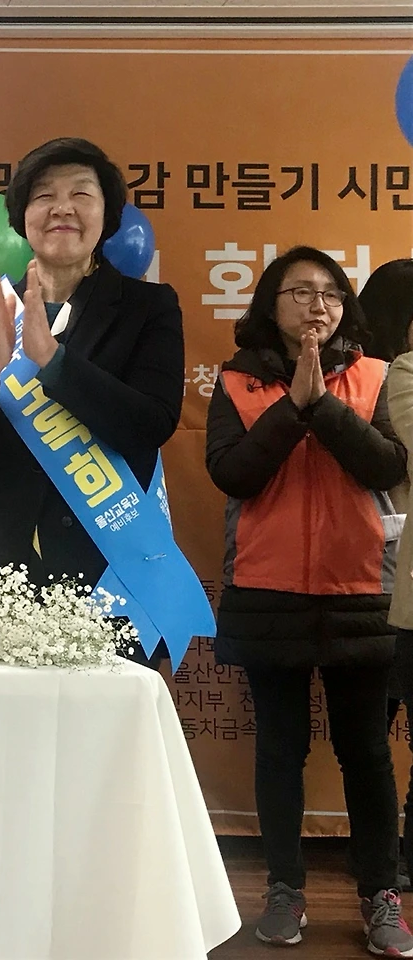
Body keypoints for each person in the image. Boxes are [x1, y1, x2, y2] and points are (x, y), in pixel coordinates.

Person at [206, 246, 412, 952]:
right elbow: (232, 474)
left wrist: (322, 406)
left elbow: (389, 465)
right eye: (299, 291)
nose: (317, 304)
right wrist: (291, 406)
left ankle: (379, 894)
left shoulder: (376, 375)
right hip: (269, 589)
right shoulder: (236, 381)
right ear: (271, 305)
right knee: (279, 750)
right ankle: (285, 890)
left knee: (367, 753)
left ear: (344, 307)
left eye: (329, 292)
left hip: (361, 588)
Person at [0, 138, 183, 627]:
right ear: (22, 217)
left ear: (107, 215)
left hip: (105, 569)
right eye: (44, 195)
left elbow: (151, 424)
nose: (62, 208)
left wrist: (54, 362)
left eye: (81, 194)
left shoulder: (149, 307)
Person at [367, 258, 413, 891]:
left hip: (385, 575)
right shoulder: (386, 377)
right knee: (368, 735)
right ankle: (379, 859)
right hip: (376, 577)